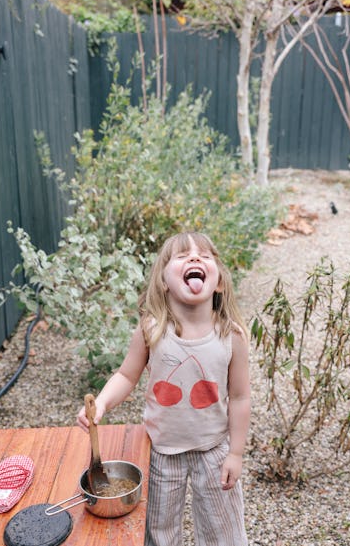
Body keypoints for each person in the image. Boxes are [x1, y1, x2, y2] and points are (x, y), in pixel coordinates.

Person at [77, 231, 250, 546]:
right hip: (161, 451)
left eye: (204, 256)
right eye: (182, 256)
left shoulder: (231, 335)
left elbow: (239, 397)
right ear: (163, 281)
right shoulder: (152, 330)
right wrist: (101, 403)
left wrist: (236, 453)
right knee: (158, 531)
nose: (195, 258)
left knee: (223, 531)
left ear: (220, 282)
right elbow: (126, 376)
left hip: (213, 449)